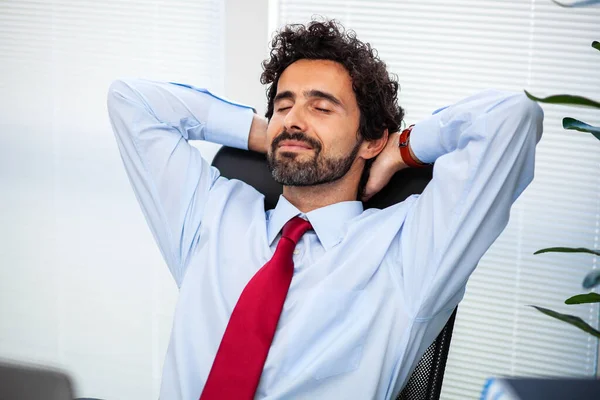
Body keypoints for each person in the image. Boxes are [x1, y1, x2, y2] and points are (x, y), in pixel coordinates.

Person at [107, 19, 543, 400]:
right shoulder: (211, 214)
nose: (294, 119)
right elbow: (131, 100)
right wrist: (268, 133)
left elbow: (511, 118)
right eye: (283, 104)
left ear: (371, 140)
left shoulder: (410, 250)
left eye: (321, 107)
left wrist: (400, 151)